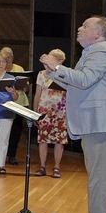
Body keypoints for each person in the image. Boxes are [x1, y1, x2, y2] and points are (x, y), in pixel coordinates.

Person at [40, 15, 106, 213]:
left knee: (99, 175)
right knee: (96, 174)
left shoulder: (102, 51)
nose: (79, 28)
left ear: (98, 33)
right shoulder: (92, 53)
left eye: (85, 26)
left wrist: (57, 67)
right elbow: (76, 84)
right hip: (95, 123)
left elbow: (85, 79)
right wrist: (52, 72)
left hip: (101, 122)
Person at [33, 49, 68, 178]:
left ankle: (56, 167)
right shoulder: (41, 74)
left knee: (59, 140)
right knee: (43, 139)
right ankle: (42, 166)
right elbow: (37, 94)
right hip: (44, 110)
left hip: (61, 110)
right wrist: (35, 112)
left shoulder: (65, 74)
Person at [0, 47, 28, 165]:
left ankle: (11, 155)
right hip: (1, 104)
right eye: (5, 57)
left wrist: (21, 85)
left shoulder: (19, 69)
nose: (7, 60)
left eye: (10, 57)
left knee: (15, 131)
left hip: (18, 103)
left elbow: (26, 87)